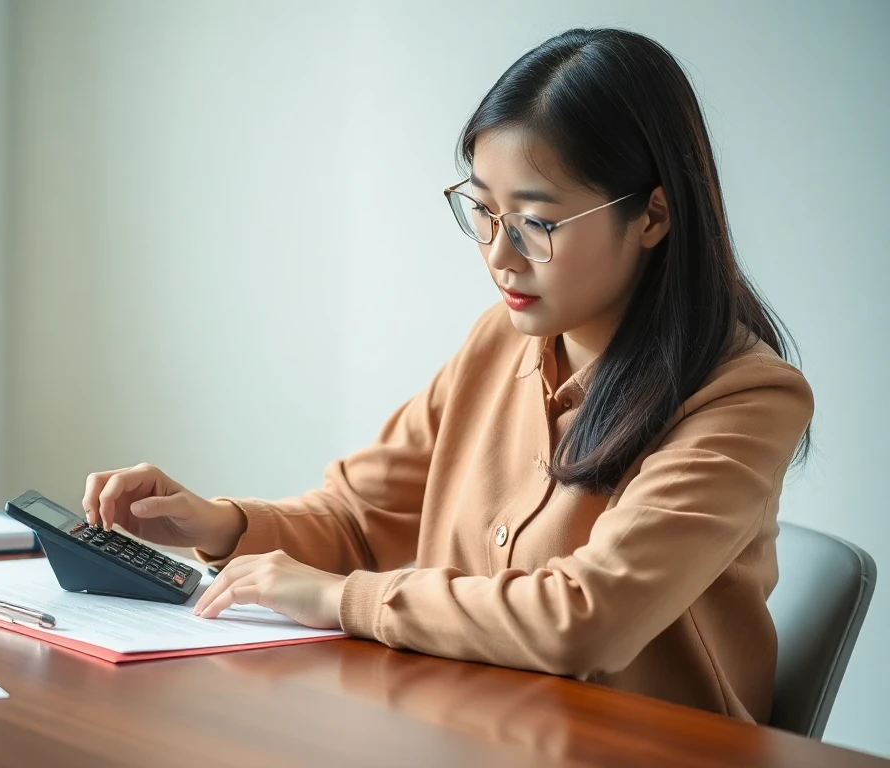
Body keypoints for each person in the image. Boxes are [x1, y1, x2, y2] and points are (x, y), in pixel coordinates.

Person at [81, 27, 813, 724]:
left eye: (536, 223)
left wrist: (339, 599)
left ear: (653, 215)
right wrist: (218, 522)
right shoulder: (499, 340)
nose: (500, 255)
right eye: (484, 212)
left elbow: (584, 619)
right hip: (470, 727)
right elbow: (360, 520)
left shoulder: (746, 397)